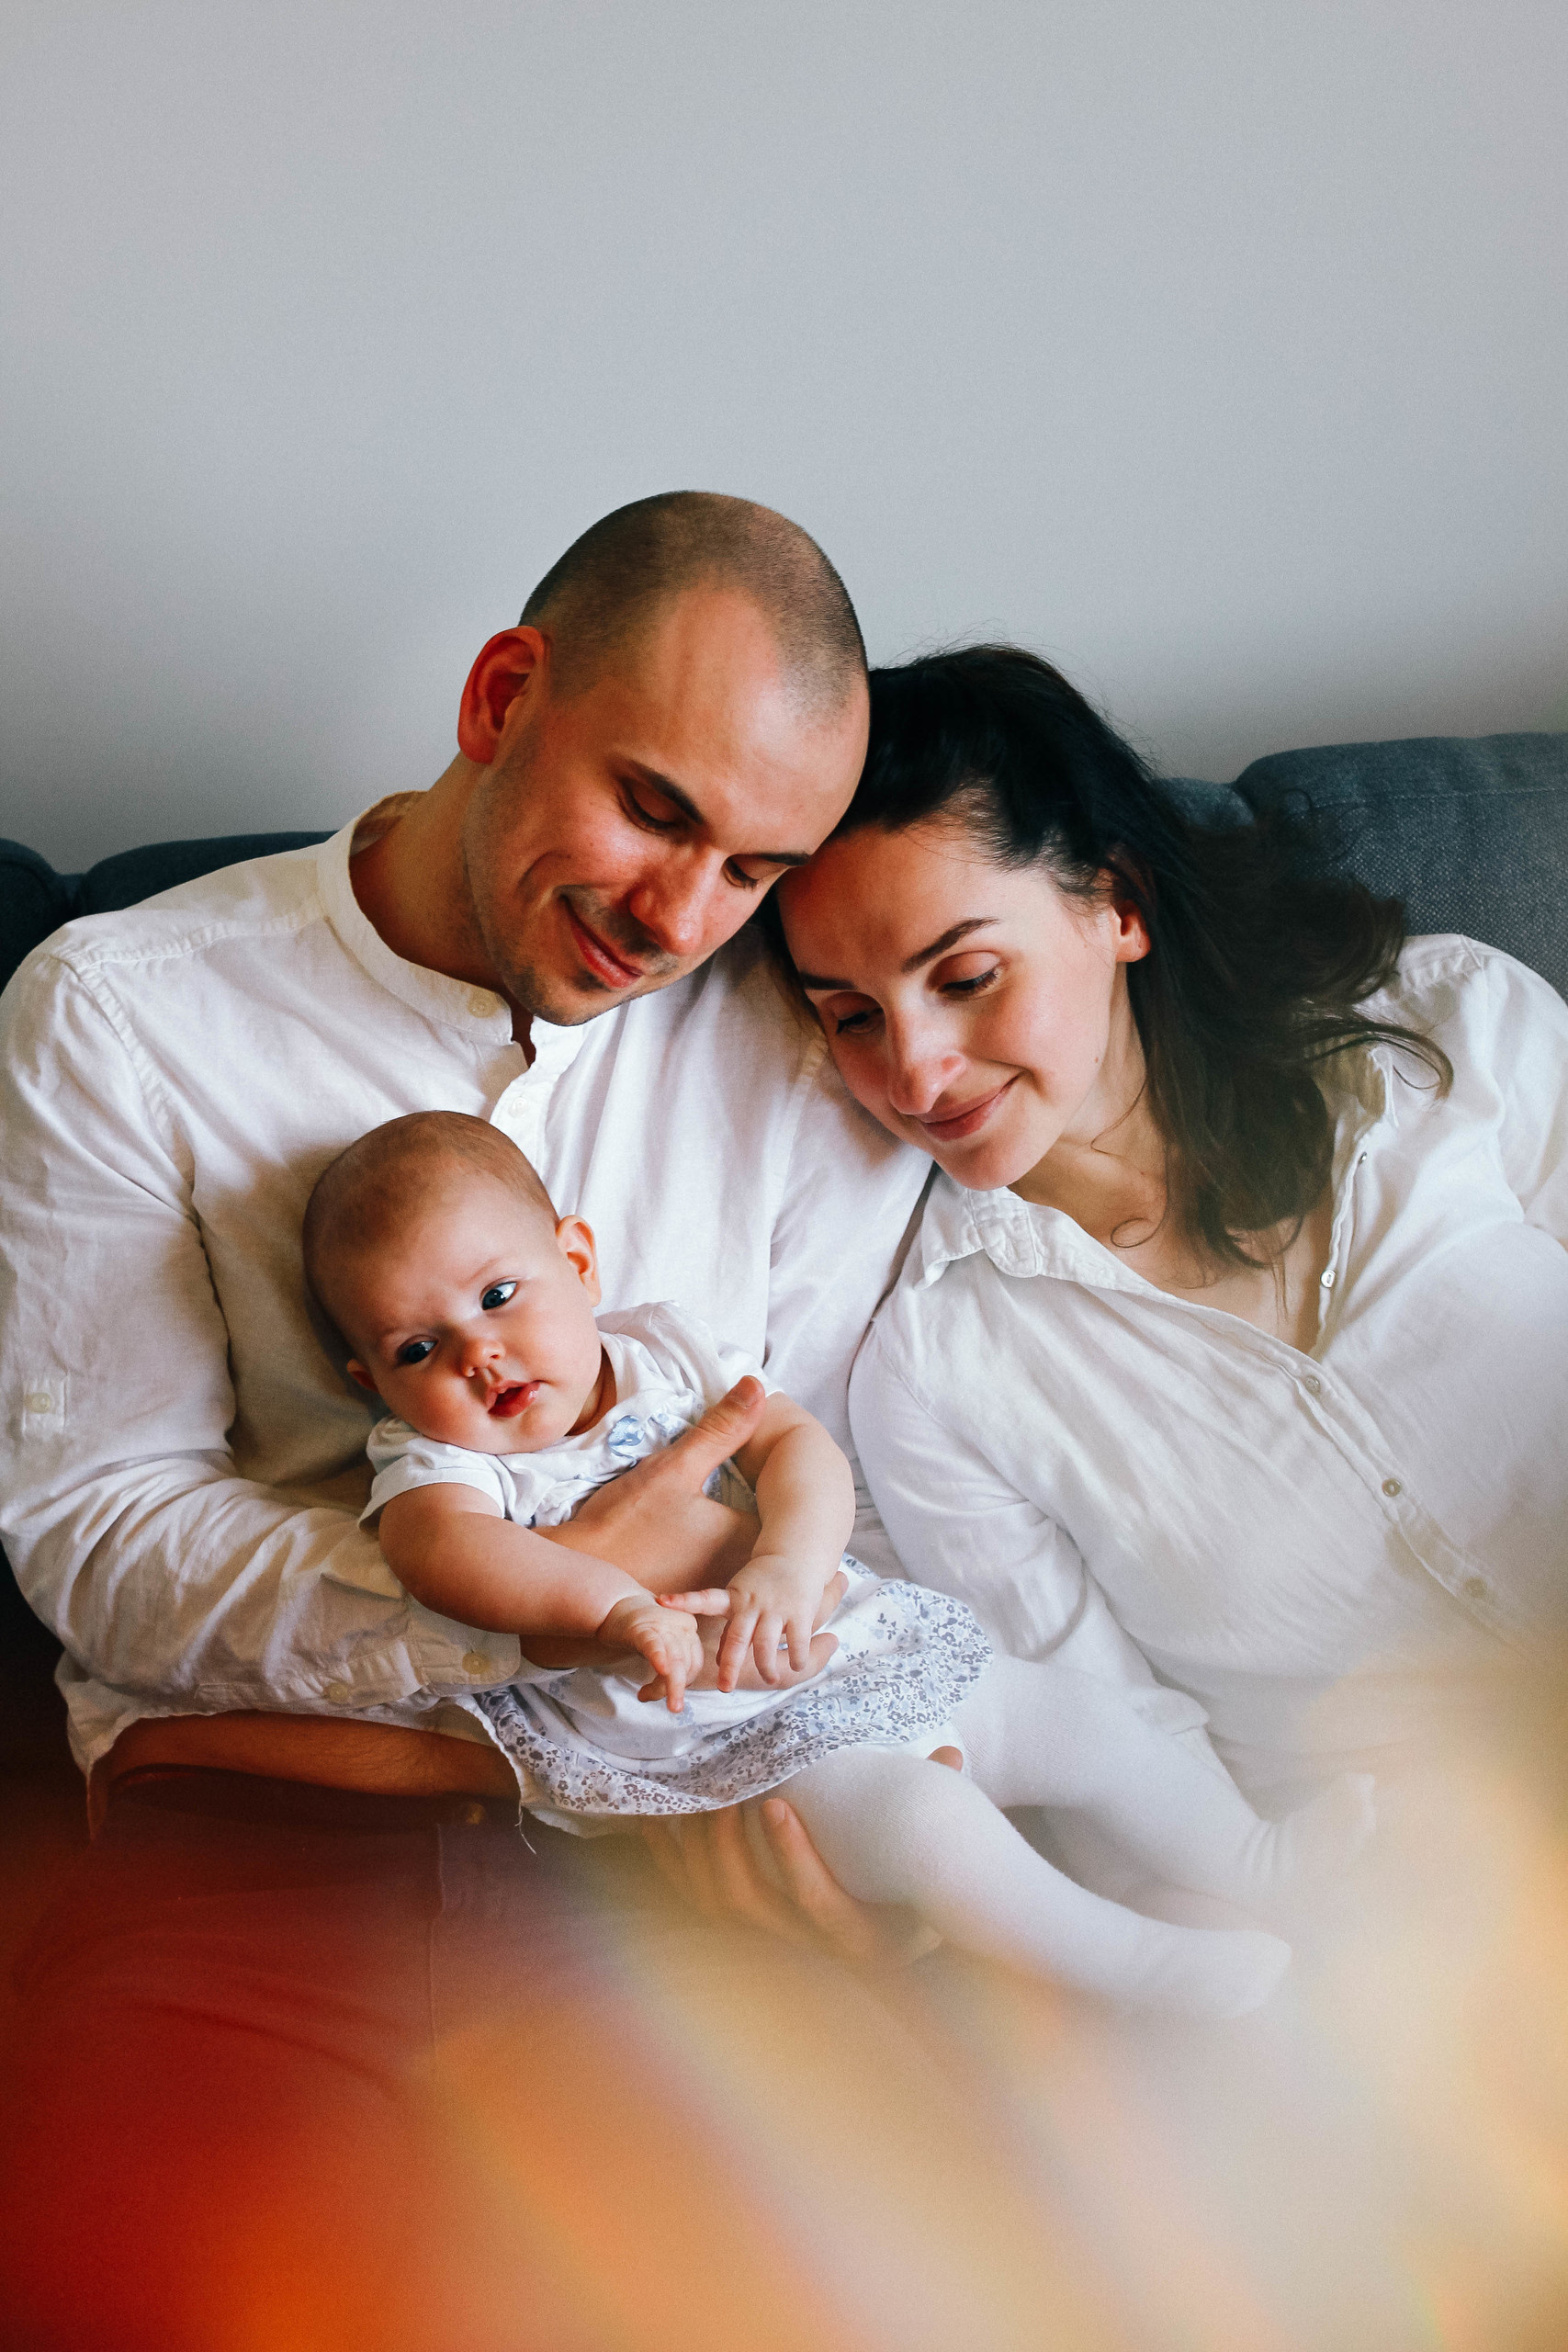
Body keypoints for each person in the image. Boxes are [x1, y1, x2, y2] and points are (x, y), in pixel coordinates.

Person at [0, 501, 1091, 2350]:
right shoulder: (121, 1014)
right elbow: (103, 1540)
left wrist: (824, 1764)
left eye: (750, 868)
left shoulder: (795, 1035)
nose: (678, 919)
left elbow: (845, 1474)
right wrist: (553, 1607)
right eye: (653, 810)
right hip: (269, 1850)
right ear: (502, 695)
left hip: (700, 1854)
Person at [302, 1111, 1375, 2014]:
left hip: (851, 1643)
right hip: (729, 1741)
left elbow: (796, 1447)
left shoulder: (664, 1350)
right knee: (924, 1826)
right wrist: (615, 1609)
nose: (478, 1353)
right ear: (371, 1382)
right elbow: (450, 1557)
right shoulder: (437, 1461)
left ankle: (1254, 1858)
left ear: (576, 1262)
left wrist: (787, 1560)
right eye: (417, 1349)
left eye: (498, 1296)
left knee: (1085, 1717)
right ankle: (1135, 1965)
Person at [772, 643, 1568, 1838]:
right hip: (1440, 1892)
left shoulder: (1448, 1027)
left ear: (1119, 905)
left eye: (968, 976)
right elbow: (1127, 1787)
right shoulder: (937, 1374)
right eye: (850, 1016)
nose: (915, 1072)